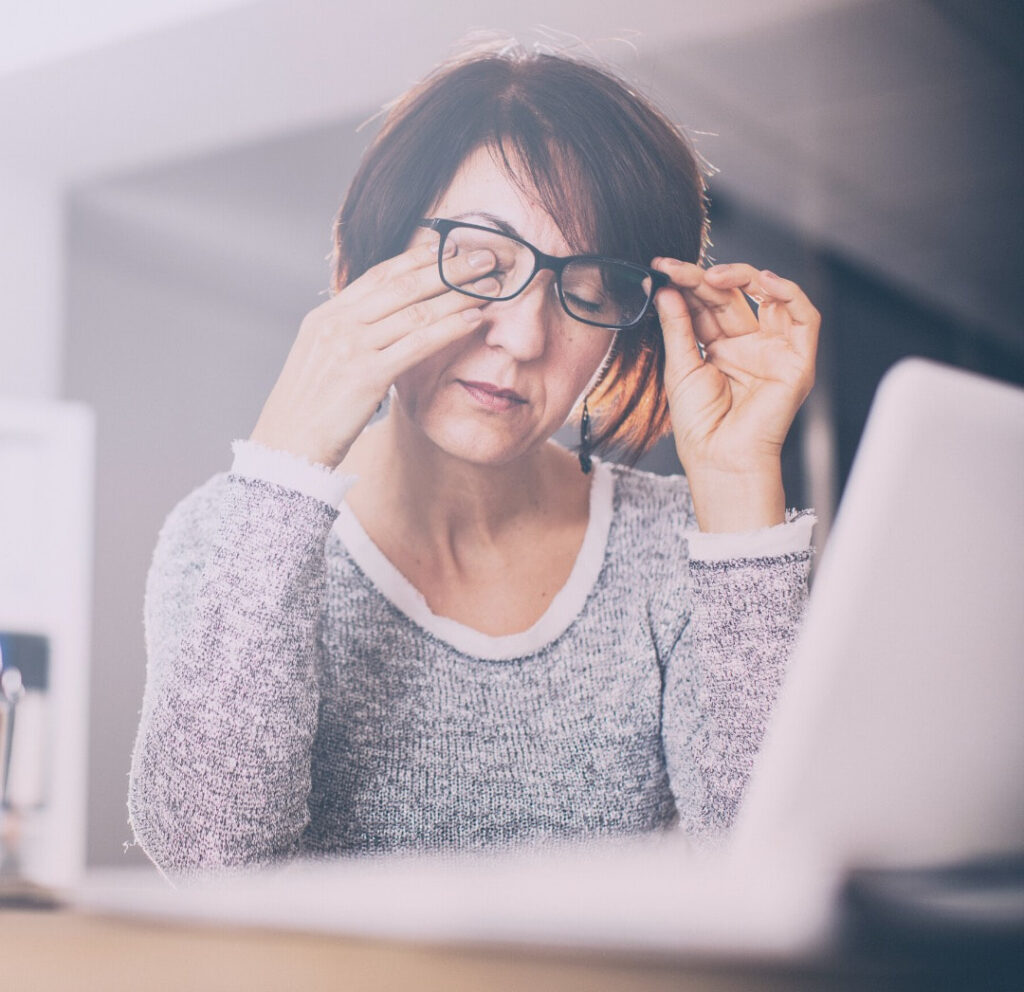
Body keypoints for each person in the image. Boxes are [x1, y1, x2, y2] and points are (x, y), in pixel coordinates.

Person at [128, 44, 820, 876]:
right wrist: (285, 464)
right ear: (373, 258)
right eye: (481, 265)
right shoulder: (226, 531)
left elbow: (776, 867)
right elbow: (207, 854)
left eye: (590, 293)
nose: (525, 338)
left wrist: (741, 489)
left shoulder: (677, 546)